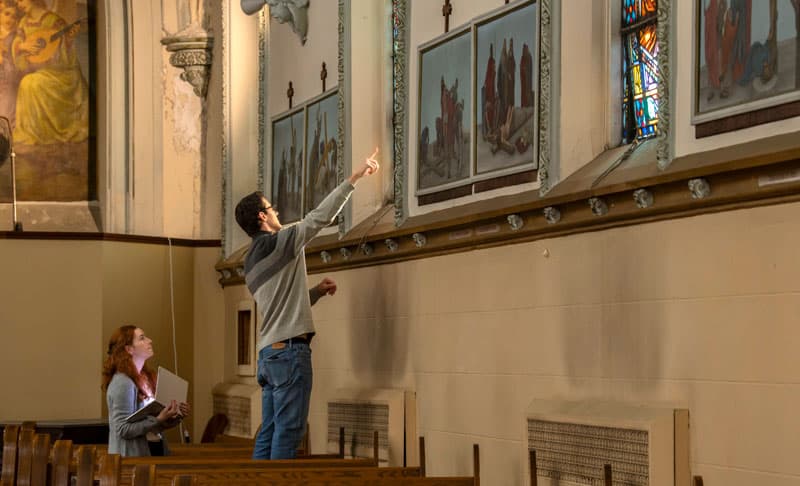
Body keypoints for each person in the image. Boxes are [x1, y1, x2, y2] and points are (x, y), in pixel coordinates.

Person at [235, 148, 380, 460]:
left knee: (270, 431)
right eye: (271, 208)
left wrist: (313, 293)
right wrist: (354, 178)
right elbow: (318, 218)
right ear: (262, 216)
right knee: (288, 432)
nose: (276, 213)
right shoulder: (280, 242)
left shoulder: (250, 261)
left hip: (267, 355)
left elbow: (279, 303)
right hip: (289, 352)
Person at [102, 325, 190, 457]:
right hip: (133, 457)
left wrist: (176, 415)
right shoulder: (123, 382)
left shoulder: (146, 378)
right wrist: (158, 419)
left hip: (154, 449)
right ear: (129, 349)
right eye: (142, 338)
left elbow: (153, 426)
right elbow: (122, 429)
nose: (150, 341)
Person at [11, 0, 89, 145]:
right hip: (39, 73)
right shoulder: (23, 23)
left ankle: (40, 133)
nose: (18, 3)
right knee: (28, 81)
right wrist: (22, 46)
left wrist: (66, 43)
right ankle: (31, 133)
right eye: (16, 1)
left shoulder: (53, 21)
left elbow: (67, 56)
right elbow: (18, 46)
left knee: (29, 83)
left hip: (62, 75)